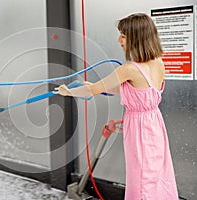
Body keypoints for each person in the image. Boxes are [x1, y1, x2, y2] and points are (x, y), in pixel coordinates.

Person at [54, 13, 178, 200]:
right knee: (156, 175)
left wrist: (67, 91)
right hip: (154, 125)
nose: (118, 40)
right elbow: (139, 93)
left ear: (137, 37)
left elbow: (93, 91)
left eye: (123, 35)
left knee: (142, 180)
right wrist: (94, 87)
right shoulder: (159, 63)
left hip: (139, 129)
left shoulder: (129, 69)